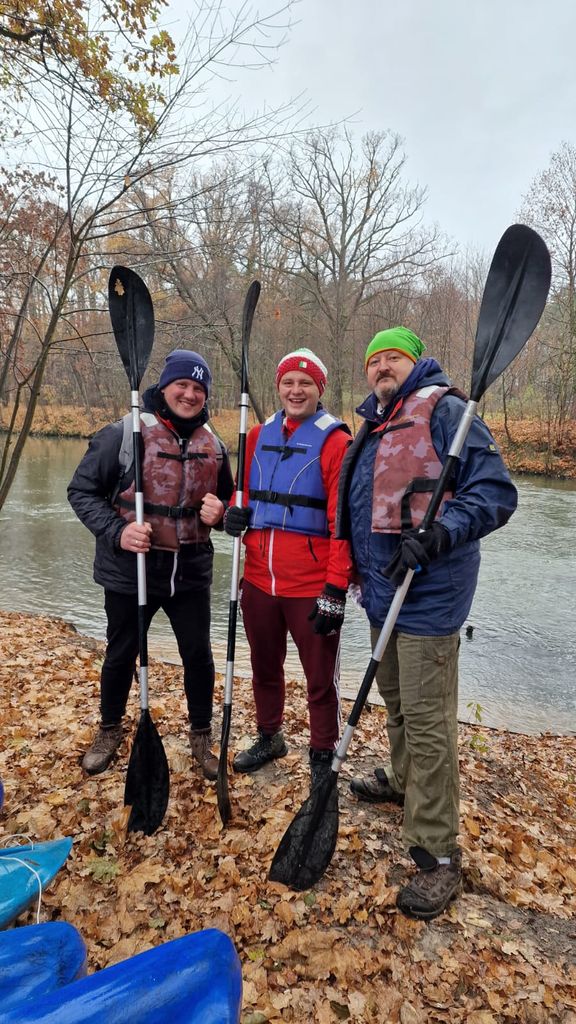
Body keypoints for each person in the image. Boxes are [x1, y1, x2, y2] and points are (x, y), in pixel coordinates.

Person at [336, 327, 518, 920]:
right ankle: (401, 779)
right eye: (375, 360)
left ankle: (439, 853)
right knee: (396, 700)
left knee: (428, 720)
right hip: (382, 592)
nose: (382, 366)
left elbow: (495, 493)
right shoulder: (375, 422)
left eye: (394, 357)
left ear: (414, 363)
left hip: (429, 596)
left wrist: (439, 534)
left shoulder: (447, 412)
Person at [68, 349, 233, 780]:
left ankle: (201, 735)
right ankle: (109, 729)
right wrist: (118, 531)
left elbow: (228, 504)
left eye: (199, 388)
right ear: (164, 386)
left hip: (189, 571)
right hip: (131, 569)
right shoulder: (124, 434)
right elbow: (81, 491)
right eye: (182, 385)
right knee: (121, 652)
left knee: (198, 655)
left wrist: (222, 514)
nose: (190, 394)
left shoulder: (215, 445)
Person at [223, 348, 353, 788]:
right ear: (278, 387)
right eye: (288, 383)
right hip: (259, 579)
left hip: (311, 586)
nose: (296, 391)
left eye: (305, 383)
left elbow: (342, 523)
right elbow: (243, 493)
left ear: (320, 389)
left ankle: (322, 754)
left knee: (320, 679)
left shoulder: (336, 443)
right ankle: (269, 736)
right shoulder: (257, 435)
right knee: (264, 665)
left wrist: (335, 588)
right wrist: (234, 513)